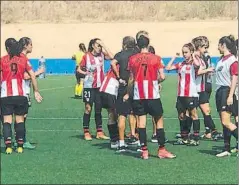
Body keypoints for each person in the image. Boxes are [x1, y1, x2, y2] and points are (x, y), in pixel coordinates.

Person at [124, 35, 176, 159]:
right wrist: (155, 81)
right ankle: (161, 149)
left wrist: (128, 93)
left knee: (141, 123)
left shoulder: (132, 59)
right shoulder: (156, 58)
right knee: (158, 121)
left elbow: (131, 79)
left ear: (137, 45)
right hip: (153, 95)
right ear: (148, 44)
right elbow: (162, 77)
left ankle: (144, 151)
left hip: (138, 95)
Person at [1, 38, 43, 154]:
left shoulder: (2, 60)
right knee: (20, 120)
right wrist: (36, 91)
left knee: (7, 121)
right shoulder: (23, 59)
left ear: (7, 48)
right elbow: (32, 75)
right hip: (21, 95)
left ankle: (8, 146)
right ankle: (20, 146)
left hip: (6, 96)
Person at [77, 38, 113, 140]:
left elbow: (112, 57)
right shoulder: (86, 56)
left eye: (100, 46)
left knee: (99, 109)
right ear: (92, 45)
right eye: (98, 45)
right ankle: (86, 132)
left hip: (100, 86)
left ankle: (99, 132)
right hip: (89, 86)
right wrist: (86, 73)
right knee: (88, 108)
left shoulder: (102, 55)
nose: (99, 47)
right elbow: (79, 69)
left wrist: (104, 45)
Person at [165, 43, 201, 146]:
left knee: (193, 115)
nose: (184, 54)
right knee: (181, 116)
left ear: (191, 52)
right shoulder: (180, 64)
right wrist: (174, 58)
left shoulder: (193, 64)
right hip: (181, 95)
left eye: (186, 52)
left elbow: (198, 65)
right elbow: (167, 67)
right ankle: (184, 137)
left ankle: (195, 138)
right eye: (183, 52)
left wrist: (194, 56)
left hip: (191, 94)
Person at [111, 36, 139, 152]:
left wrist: (118, 76)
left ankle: (121, 143)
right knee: (135, 113)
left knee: (122, 114)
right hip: (135, 86)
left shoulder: (121, 54)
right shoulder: (137, 53)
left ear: (124, 44)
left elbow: (113, 63)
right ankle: (135, 138)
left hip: (123, 85)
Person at [16, 37, 45, 149]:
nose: (32, 46)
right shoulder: (23, 59)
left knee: (21, 116)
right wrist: (38, 72)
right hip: (23, 91)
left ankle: (19, 139)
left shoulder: (19, 58)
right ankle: (21, 140)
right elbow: (24, 76)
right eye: (31, 44)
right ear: (25, 46)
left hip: (22, 90)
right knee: (22, 116)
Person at [191, 36, 221, 141]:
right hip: (196, 88)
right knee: (195, 111)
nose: (206, 49)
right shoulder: (195, 57)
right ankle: (213, 131)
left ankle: (210, 131)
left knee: (205, 110)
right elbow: (197, 72)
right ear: (199, 47)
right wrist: (208, 70)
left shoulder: (203, 57)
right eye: (204, 47)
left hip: (202, 86)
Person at [215, 35, 238, 157]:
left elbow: (234, 78)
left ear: (223, 45)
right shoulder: (220, 60)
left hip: (226, 91)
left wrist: (230, 95)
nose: (217, 47)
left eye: (219, 44)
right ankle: (226, 148)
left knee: (226, 121)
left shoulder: (232, 60)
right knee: (224, 122)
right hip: (219, 92)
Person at [99, 65, 120, 149]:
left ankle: (116, 139)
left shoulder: (119, 59)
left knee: (113, 114)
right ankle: (114, 140)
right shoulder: (124, 61)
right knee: (112, 114)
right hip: (110, 88)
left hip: (107, 88)